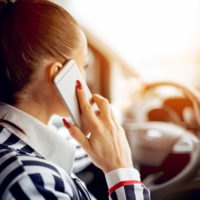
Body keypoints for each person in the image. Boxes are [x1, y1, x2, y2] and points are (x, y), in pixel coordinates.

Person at [0, 0, 151, 199]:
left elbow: (71, 150)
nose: (85, 79)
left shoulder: (16, 139)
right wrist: (122, 172)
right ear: (57, 74)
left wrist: (119, 109)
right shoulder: (33, 181)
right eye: (84, 67)